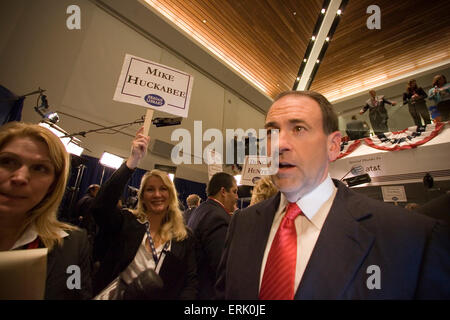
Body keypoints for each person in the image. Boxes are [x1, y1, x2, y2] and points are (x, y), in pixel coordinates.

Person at [216, 90, 450, 300]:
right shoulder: (242, 225)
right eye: (271, 132)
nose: (280, 144)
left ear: (333, 145)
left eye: (299, 129)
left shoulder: (410, 237)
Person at [91, 127, 197, 299]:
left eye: (163, 189)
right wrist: (133, 160)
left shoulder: (184, 237)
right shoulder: (126, 222)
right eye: (150, 189)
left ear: (170, 196)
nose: (157, 194)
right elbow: (100, 207)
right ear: (142, 196)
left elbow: (190, 283)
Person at [0, 122, 92, 299]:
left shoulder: (73, 246)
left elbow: (77, 293)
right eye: (8, 161)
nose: (20, 178)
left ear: (53, 184)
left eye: (40, 168)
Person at [188, 172, 238, 299]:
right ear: (223, 191)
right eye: (234, 191)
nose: (237, 197)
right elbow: (222, 267)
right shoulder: (217, 217)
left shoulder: (201, 210)